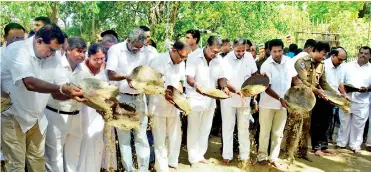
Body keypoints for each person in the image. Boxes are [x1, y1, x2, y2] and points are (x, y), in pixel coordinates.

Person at [1, 24, 84, 172]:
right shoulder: (18, 50)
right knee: (16, 165)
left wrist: (72, 94)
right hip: (13, 116)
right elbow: (30, 83)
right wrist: (62, 89)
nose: (53, 54)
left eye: (56, 51)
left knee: (37, 163)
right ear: (39, 41)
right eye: (51, 49)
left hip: (37, 118)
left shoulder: (54, 55)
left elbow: (58, 89)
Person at [106, 28, 152, 172]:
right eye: (136, 46)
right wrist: (127, 77)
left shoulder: (146, 51)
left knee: (141, 136)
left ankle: (143, 169)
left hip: (139, 98)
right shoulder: (116, 50)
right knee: (124, 137)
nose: (138, 50)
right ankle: (129, 169)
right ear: (129, 40)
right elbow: (111, 74)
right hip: (122, 98)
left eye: (141, 47)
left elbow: (147, 72)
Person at [44, 36, 88, 172]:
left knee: (73, 156)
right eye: (79, 51)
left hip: (76, 116)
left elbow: (89, 93)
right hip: (56, 115)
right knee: (54, 158)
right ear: (68, 50)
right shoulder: (55, 66)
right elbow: (54, 94)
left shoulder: (84, 71)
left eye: (84, 52)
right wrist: (73, 95)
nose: (82, 55)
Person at [257, 39, 302, 169]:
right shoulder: (266, 65)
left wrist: (301, 87)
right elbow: (266, 87)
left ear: (283, 50)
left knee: (278, 133)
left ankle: (274, 157)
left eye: (280, 50)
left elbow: (295, 78)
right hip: (267, 104)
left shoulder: (288, 62)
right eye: (274, 51)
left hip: (284, 104)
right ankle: (262, 156)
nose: (277, 53)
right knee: (265, 132)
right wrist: (280, 99)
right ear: (269, 51)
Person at [149, 40, 190, 172]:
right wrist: (163, 93)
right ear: (173, 51)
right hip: (158, 105)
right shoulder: (157, 61)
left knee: (175, 136)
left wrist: (182, 99)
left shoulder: (181, 63)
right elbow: (150, 84)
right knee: (160, 139)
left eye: (185, 57)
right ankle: (161, 168)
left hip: (174, 106)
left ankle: (172, 162)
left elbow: (179, 82)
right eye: (181, 56)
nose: (183, 59)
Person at [185, 36, 227, 165]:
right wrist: (196, 86)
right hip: (195, 97)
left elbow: (221, 78)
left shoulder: (218, 59)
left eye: (217, 52)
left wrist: (224, 87)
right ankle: (192, 158)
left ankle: (200, 155)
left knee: (206, 128)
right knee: (194, 128)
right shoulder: (194, 56)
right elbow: (189, 78)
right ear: (207, 46)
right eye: (213, 51)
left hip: (210, 99)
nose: (215, 54)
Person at [293, 41, 334, 160]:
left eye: (325, 54)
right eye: (323, 53)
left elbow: (323, 82)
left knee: (307, 126)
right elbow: (303, 81)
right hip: (300, 98)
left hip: (312, 99)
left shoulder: (321, 64)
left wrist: (335, 94)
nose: (324, 57)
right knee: (297, 126)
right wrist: (317, 90)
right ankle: (289, 150)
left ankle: (302, 152)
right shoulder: (301, 62)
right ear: (314, 50)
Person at [220, 38, 257, 164]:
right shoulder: (226, 60)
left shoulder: (249, 57)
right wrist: (237, 91)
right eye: (238, 50)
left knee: (243, 127)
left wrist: (253, 90)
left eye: (243, 50)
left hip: (245, 98)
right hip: (229, 98)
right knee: (228, 126)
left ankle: (244, 155)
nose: (241, 53)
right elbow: (225, 80)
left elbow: (254, 74)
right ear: (233, 48)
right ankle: (227, 155)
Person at [79, 44, 108, 172]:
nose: (99, 62)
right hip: (83, 109)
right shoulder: (81, 69)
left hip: (99, 111)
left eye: (102, 58)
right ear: (88, 57)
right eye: (96, 59)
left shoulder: (105, 69)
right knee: (84, 138)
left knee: (97, 141)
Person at [337, 46, 371, 154]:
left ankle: (355, 145)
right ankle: (341, 143)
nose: (363, 55)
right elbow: (340, 81)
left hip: (363, 101)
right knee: (344, 122)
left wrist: (367, 88)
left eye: (366, 53)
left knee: (359, 125)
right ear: (358, 53)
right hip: (347, 98)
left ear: (369, 56)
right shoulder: (347, 66)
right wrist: (344, 93)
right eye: (361, 53)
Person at [321, 47, 347, 147]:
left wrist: (344, 94)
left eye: (343, 60)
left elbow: (339, 83)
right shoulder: (324, 65)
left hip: (333, 99)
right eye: (339, 59)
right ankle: (317, 146)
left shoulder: (341, 67)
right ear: (333, 56)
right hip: (323, 97)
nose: (341, 62)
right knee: (320, 122)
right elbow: (321, 83)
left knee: (329, 122)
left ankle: (324, 145)